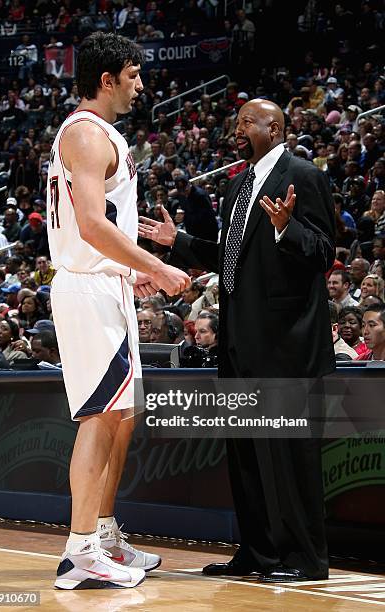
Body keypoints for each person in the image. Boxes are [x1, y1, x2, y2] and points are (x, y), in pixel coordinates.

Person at [139, 98, 335, 583]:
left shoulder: (303, 174)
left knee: (287, 457)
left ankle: (306, 560)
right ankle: (258, 552)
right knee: (247, 454)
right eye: (236, 122)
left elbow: (324, 253)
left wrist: (287, 227)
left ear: (275, 127)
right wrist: (176, 241)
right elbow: (230, 255)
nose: (238, 129)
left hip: (285, 346)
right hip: (239, 342)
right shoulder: (237, 186)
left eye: (248, 122)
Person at [47, 32, 189, 591]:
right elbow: (88, 224)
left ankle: (101, 534)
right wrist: (155, 267)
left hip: (105, 285)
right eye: (133, 75)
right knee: (99, 417)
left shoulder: (100, 134)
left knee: (119, 418)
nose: (140, 85)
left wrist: (129, 271)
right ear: (106, 80)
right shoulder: (84, 133)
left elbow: (100, 229)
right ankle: (80, 551)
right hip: (85, 291)